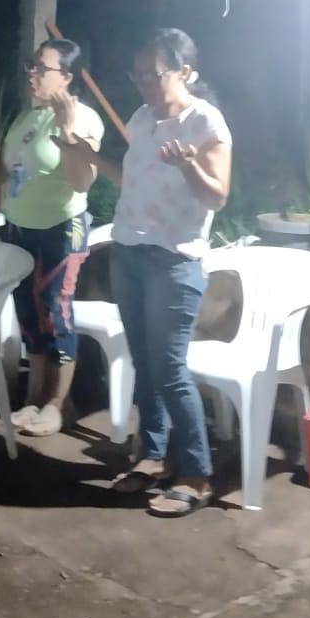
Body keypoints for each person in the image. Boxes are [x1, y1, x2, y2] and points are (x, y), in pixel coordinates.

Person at [74, 28, 232, 518]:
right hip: (129, 252)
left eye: (153, 74)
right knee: (144, 362)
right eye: (137, 75)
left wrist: (189, 167)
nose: (143, 83)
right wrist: (92, 158)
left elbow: (217, 196)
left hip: (173, 260)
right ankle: (153, 456)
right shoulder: (142, 119)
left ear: (185, 72)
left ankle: (196, 475)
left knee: (169, 369)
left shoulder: (206, 122)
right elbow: (134, 179)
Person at [0, 38, 104, 437]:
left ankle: (59, 403)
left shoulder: (83, 118)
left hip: (60, 228)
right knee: (28, 311)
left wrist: (67, 133)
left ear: (66, 77)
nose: (31, 74)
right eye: (30, 66)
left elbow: (82, 181)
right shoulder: (27, 118)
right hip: (19, 227)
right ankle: (35, 396)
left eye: (41, 68)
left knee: (56, 310)